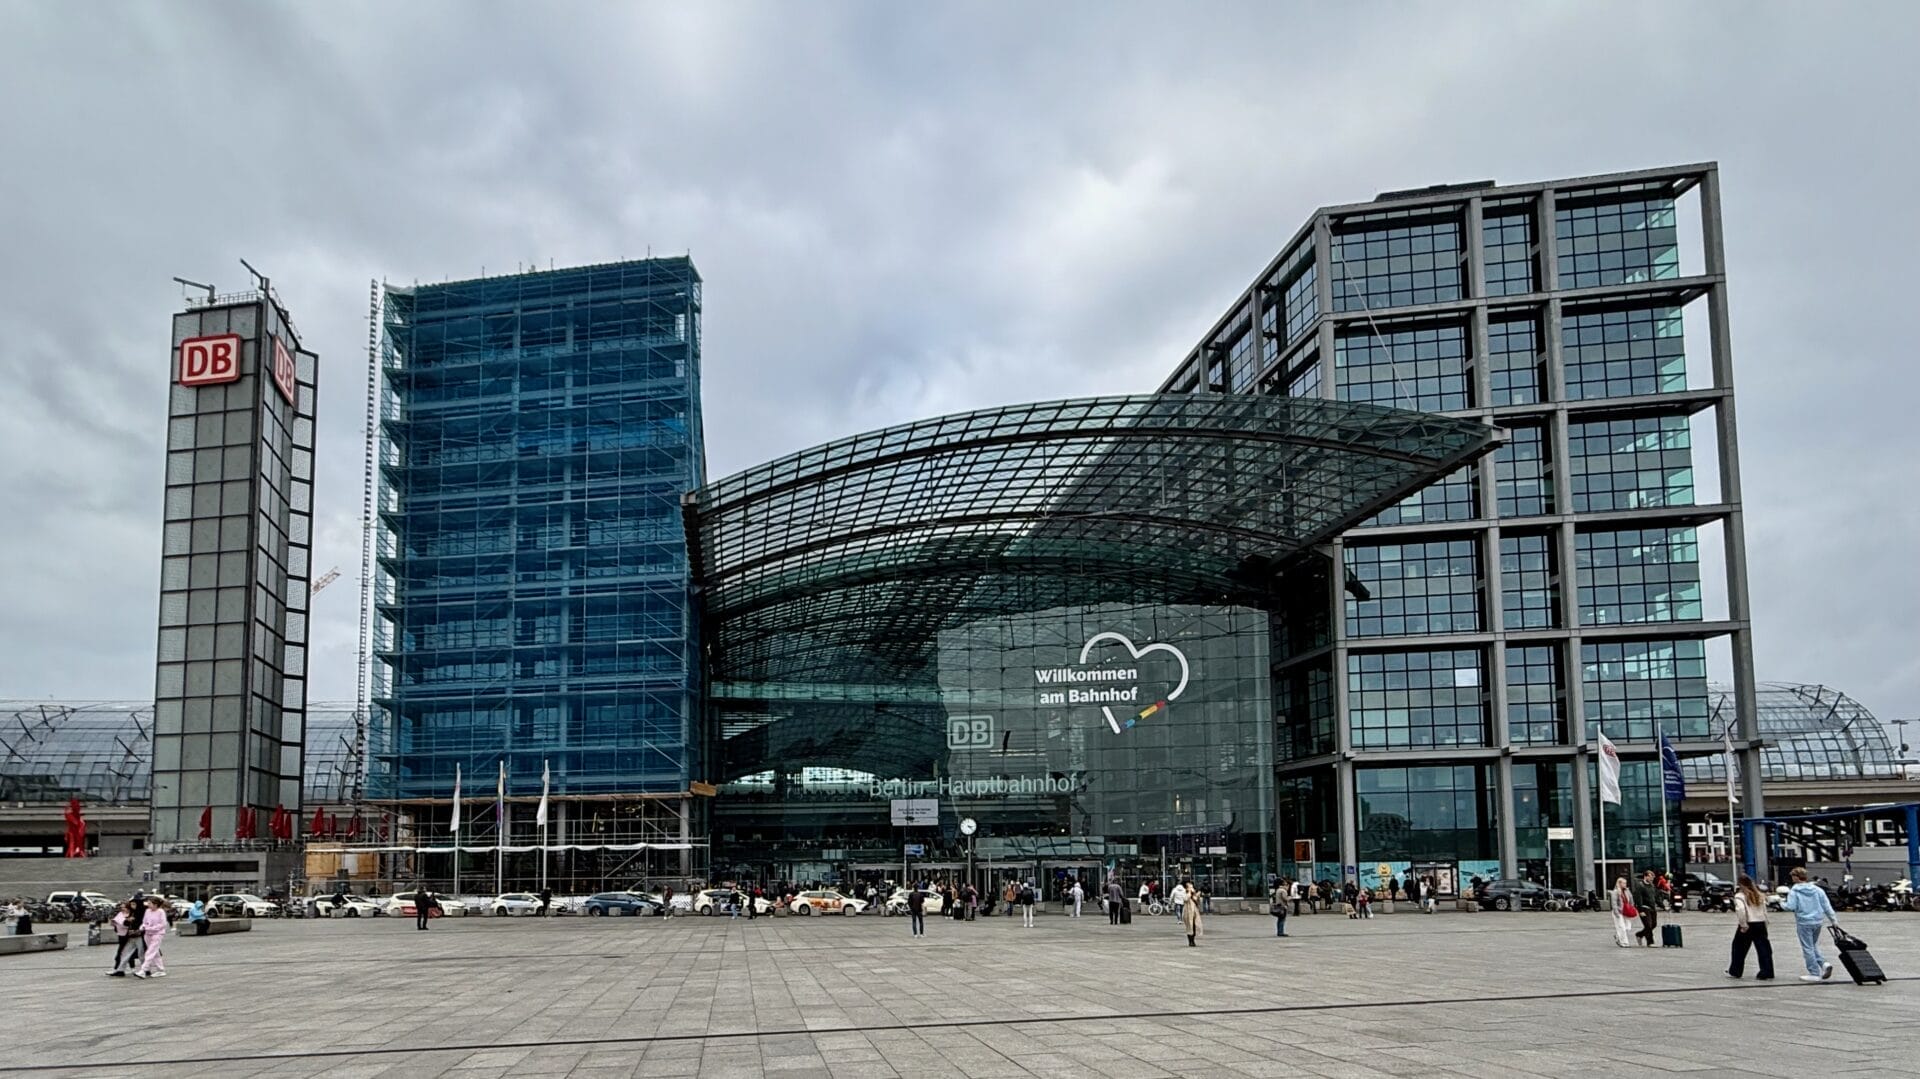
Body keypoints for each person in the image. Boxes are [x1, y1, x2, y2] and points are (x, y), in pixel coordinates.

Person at [1780, 867, 1838, 981]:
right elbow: (1826, 906)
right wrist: (1833, 920)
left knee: (1807, 947)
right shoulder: (1817, 890)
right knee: (1813, 944)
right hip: (1817, 921)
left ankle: (1814, 972)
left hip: (1804, 922)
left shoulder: (1794, 891)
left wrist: (1781, 902)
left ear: (1796, 877)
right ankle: (1824, 964)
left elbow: (1790, 907)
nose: (1792, 878)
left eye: (1792, 876)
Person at [1727, 874, 1775, 980]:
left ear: (1740, 884)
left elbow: (1741, 910)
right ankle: (1767, 971)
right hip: (1760, 923)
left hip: (1749, 923)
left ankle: (1736, 970)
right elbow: (1764, 910)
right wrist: (1765, 922)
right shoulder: (1759, 894)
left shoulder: (1740, 896)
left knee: (1739, 948)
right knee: (1764, 948)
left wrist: (1743, 924)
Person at [133, 896, 169, 978]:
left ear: (155, 904)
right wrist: (142, 927)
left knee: (150, 952)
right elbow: (144, 921)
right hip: (147, 934)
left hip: (157, 934)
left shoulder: (161, 912)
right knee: (155, 952)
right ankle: (160, 970)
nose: (148, 905)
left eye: (150, 903)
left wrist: (152, 928)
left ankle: (143, 970)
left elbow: (163, 924)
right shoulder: (147, 911)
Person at [106, 901, 139, 977]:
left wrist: (127, 921)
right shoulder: (120, 914)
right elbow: (117, 922)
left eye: (124, 907)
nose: (122, 909)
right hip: (121, 935)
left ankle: (121, 969)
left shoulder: (132, 914)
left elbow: (127, 924)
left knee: (124, 952)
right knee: (123, 952)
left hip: (129, 935)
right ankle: (120, 969)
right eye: (121, 907)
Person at [1630, 870, 1659, 945]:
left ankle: (1639, 934)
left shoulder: (1652, 886)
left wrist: (1662, 905)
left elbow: (1655, 897)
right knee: (1648, 925)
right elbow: (1638, 899)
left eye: (1653, 877)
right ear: (1645, 876)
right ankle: (1650, 942)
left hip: (1652, 908)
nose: (1652, 879)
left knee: (1654, 924)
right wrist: (1640, 910)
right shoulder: (1640, 886)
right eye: (1650, 877)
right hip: (1644, 908)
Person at [1609, 876, 1634, 948]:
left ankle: (1617, 935)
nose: (1625, 884)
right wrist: (1616, 912)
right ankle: (1624, 942)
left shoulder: (1627, 891)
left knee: (1628, 927)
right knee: (1621, 927)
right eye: (1624, 883)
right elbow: (1614, 903)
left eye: (1625, 883)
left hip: (1626, 911)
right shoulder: (1616, 892)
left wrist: (1631, 907)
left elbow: (1631, 899)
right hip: (1619, 911)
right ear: (1619, 884)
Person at [1181, 878, 1203, 947]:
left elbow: (1197, 901)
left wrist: (1197, 895)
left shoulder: (1193, 893)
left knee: (1195, 925)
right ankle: (1190, 941)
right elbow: (1185, 899)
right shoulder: (1184, 892)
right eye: (1189, 885)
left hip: (1194, 911)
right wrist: (1189, 893)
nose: (1191, 887)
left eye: (1191, 885)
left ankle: (1193, 939)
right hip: (1187, 911)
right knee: (1189, 926)